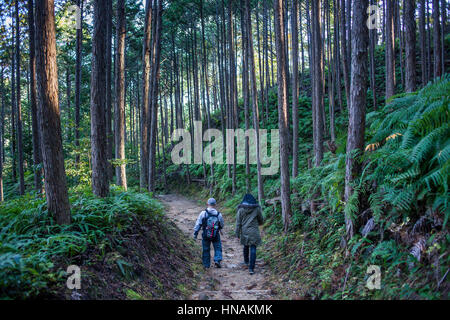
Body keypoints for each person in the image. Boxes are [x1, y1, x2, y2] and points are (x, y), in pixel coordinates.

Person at [235, 194, 263, 275]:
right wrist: (259, 223)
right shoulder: (257, 209)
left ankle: (246, 262)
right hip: (254, 231)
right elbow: (261, 220)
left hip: (244, 231)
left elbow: (238, 223)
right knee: (253, 248)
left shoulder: (240, 210)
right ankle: (251, 268)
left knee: (246, 246)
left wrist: (237, 235)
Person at [193, 198, 225, 269]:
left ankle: (206, 265)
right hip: (215, 234)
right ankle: (217, 260)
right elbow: (222, 224)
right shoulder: (218, 214)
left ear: (207, 204)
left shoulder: (203, 213)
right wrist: (219, 228)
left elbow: (198, 223)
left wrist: (195, 233)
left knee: (206, 249)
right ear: (215, 205)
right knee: (218, 247)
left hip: (205, 234)